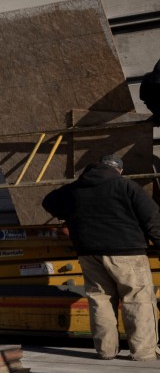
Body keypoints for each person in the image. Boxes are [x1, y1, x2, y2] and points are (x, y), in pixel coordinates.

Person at [42, 154, 160, 361]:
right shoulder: (125, 186)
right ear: (119, 170)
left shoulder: (75, 188)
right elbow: (152, 218)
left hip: (89, 252)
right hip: (127, 252)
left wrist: (70, 212)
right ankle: (143, 352)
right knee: (138, 299)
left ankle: (106, 351)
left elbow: (48, 202)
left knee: (100, 300)